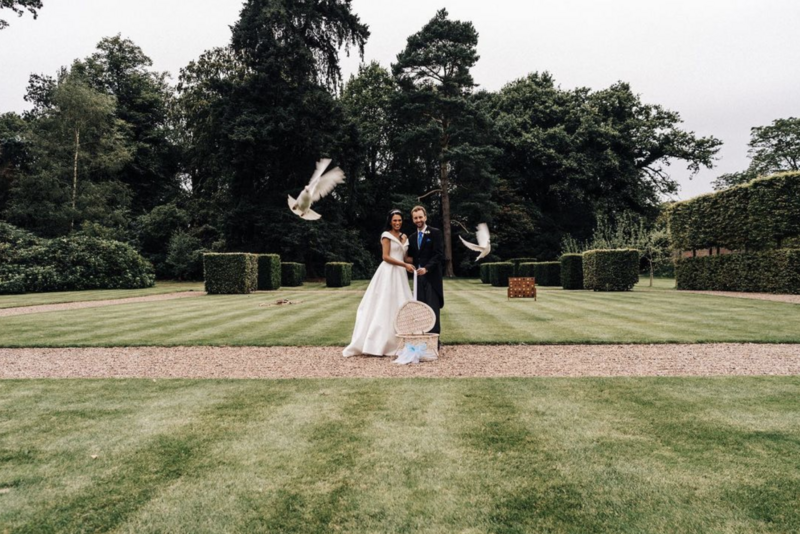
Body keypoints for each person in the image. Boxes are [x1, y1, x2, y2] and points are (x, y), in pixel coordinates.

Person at [343, 209, 415, 357]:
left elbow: (406, 257)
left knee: (401, 302)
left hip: (400, 274)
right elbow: (386, 257)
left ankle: (400, 341)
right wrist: (404, 265)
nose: (397, 223)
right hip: (389, 272)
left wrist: (421, 261)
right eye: (394, 220)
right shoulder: (386, 236)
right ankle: (377, 342)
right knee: (384, 303)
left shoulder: (404, 237)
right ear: (390, 221)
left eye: (399, 220)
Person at [406, 205, 444, 343]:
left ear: (425, 217)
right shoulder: (411, 237)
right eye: (415, 218)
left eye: (420, 217)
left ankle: (434, 342)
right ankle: (422, 340)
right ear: (413, 219)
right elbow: (410, 257)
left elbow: (439, 254)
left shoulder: (435, 233)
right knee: (420, 309)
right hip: (418, 278)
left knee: (432, 308)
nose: (418, 220)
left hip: (431, 277)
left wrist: (426, 268)